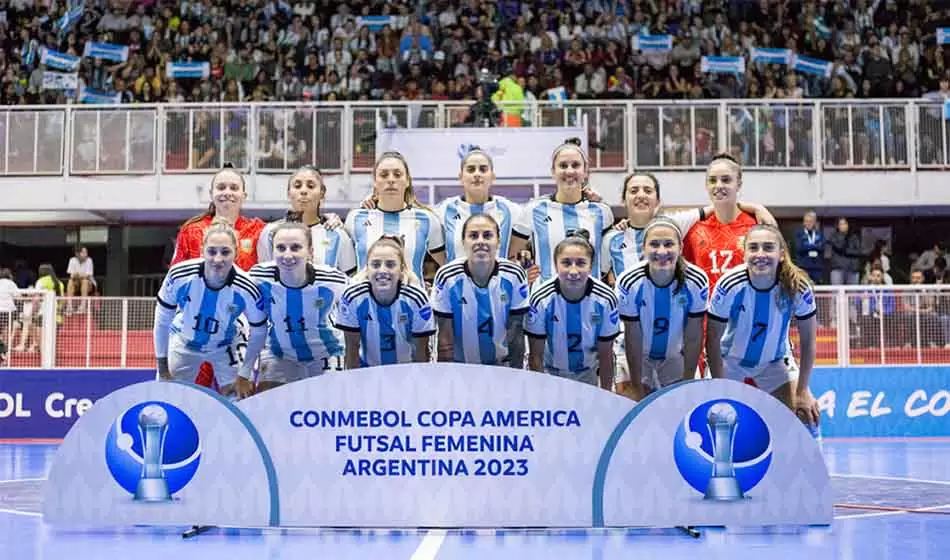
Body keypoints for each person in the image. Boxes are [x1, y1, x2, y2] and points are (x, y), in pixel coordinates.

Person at [706, 225, 819, 429]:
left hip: (774, 363)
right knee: (716, 420)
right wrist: (720, 389)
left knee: (806, 416)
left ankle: (793, 461)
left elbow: (809, 342)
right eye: (754, 248)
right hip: (729, 361)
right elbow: (712, 340)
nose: (761, 254)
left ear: (781, 254)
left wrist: (802, 390)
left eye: (768, 248)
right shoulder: (729, 285)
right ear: (744, 254)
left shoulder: (798, 287)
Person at [171, 165, 267, 390]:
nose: (227, 192)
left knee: (237, 393)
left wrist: (329, 219)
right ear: (212, 194)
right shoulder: (192, 230)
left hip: (238, 328)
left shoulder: (258, 229)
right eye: (221, 187)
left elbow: (294, 234)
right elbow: (176, 279)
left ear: (244, 194)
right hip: (197, 326)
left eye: (234, 187)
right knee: (192, 393)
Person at [153, 220, 268, 397]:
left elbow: (259, 330)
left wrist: (244, 374)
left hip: (227, 343)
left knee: (242, 399)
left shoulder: (247, 286)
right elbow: (162, 319)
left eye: (225, 252)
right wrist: (162, 366)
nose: (218, 259)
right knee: (167, 397)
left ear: (236, 253)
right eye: (212, 251)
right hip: (185, 341)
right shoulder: (179, 275)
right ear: (202, 251)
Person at [238, 222, 350, 397]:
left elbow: (361, 297)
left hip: (327, 352)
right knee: (271, 409)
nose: (287, 255)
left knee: (330, 410)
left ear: (311, 252)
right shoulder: (258, 276)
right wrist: (244, 372)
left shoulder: (333, 279)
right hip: (279, 354)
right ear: (272, 251)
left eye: (296, 247)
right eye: (281, 248)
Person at [616, 218, 708, 400]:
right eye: (654, 244)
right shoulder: (629, 282)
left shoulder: (696, 280)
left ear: (680, 248)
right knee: (631, 408)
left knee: (683, 406)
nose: (662, 251)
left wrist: (688, 382)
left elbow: (694, 335)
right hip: (635, 355)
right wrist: (636, 385)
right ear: (644, 248)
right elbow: (632, 336)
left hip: (674, 357)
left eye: (669, 244)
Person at [510, 138, 614, 286]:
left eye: (576, 165)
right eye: (563, 165)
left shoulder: (602, 212)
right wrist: (523, 274)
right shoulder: (534, 209)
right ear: (553, 171)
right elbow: (514, 254)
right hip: (545, 302)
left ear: (585, 171)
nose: (570, 171)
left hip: (590, 302)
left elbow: (609, 258)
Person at [524, 231, 620, 389]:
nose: (573, 271)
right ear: (556, 265)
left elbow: (606, 355)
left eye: (581, 263)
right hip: (550, 374)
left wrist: (606, 396)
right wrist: (539, 394)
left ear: (591, 267)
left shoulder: (605, 299)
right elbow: (536, 357)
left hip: (588, 375)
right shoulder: (541, 299)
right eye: (566, 263)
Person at [431, 214, 529, 367]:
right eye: (473, 236)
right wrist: (447, 376)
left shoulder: (514, 274)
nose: (481, 241)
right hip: (460, 366)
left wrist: (516, 374)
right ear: (463, 242)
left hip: (502, 366)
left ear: (498, 242)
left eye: (488, 235)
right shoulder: (447, 276)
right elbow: (445, 337)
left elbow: (516, 333)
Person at [332, 235, 436, 367]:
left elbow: (421, 353)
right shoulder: (353, 297)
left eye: (390, 265)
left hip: (407, 371)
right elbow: (351, 349)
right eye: (375, 265)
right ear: (367, 269)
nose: (382, 270)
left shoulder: (416, 299)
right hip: (368, 371)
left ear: (402, 269)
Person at [344, 152, 446, 285]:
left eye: (397, 175)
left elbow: (447, 266)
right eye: (384, 175)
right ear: (375, 181)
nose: (391, 180)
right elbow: (345, 267)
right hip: (364, 303)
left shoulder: (427, 220)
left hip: (412, 303)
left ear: (407, 181)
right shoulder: (355, 218)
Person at [256, 165, 355, 274]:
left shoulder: (338, 235)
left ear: (322, 194)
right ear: (288, 193)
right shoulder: (269, 233)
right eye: (297, 186)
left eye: (311, 186)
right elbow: (264, 276)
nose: (303, 191)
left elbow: (349, 279)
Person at [434, 148, 523, 262]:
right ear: (461, 177)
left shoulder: (511, 210)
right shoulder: (443, 211)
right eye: (471, 170)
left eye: (483, 169)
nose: (477, 174)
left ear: (492, 177)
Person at [65, 246, 96, 313]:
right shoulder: (72, 260)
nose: (86, 254)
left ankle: (83, 306)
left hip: (89, 284)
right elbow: (72, 276)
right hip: (77, 284)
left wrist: (77, 275)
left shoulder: (89, 260)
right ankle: (69, 306)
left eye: (86, 252)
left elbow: (87, 276)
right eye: (83, 252)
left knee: (84, 281)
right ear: (77, 254)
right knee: (70, 281)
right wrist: (78, 275)